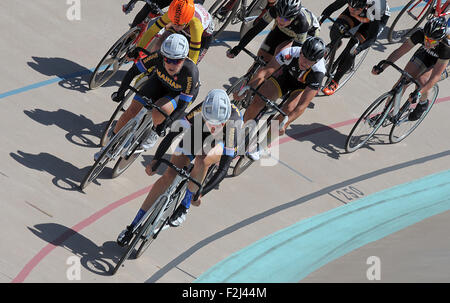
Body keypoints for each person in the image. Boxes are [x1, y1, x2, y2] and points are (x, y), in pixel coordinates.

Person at [116, 89, 244, 246]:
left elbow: (223, 169)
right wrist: (156, 160)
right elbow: (171, 135)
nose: (213, 127)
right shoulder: (201, 111)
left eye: (217, 124)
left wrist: (200, 193)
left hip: (222, 141)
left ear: (224, 121)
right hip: (199, 131)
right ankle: (133, 226)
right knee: (168, 175)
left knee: (202, 159)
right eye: (210, 122)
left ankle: (185, 205)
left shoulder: (233, 125)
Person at [94, 34, 200, 160]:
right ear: (163, 56)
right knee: (131, 111)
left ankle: (153, 132)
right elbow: (134, 71)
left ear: (184, 59)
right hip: (159, 83)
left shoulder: (190, 73)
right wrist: (121, 92)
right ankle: (109, 146)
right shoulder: (158, 56)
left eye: (176, 61)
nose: (171, 64)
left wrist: (164, 125)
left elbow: (182, 106)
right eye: (168, 60)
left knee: (161, 111)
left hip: (177, 94)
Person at [239, 36, 327, 160]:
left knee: (287, 112)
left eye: (310, 61)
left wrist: (286, 122)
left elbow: (302, 105)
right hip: (285, 77)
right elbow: (265, 72)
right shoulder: (290, 53)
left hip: (300, 88)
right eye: (303, 57)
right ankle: (243, 128)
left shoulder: (318, 73)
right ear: (300, 51)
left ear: (317, 61)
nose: (305, 62)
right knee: (258, 100)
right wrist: (248, 87)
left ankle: (263, 145)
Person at [372, 17, 449, 121]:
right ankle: (384, 114)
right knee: (404, 80)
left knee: (422, 81)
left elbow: (435, 76)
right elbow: (400, 51)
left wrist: (419, 93)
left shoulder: (446, 48)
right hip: (426, 54)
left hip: (443, 63)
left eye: (431, 41)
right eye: (426, 38)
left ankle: (423, 103)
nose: (427, 42)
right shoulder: (420, 33)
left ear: (440, 39)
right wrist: (383, 66)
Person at [320, 0, 390, 95]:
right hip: (361, 13)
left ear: (364, 6)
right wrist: (319, 21)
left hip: (374, 20)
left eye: (355, 9)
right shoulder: (353, 6)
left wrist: (359, 49)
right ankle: (334, 44)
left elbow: (372, 38)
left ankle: (335, 81)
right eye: (349, 6)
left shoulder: (375, 9)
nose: (352, 10)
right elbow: (333, 6)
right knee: (337, 28)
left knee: (353, 48)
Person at [226, 0, 320, 64]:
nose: (282, 21)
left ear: (294, 17)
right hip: (283, 31)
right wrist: (238, 48)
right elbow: (256, 29)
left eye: (286, 19)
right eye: (280, 16)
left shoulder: (302, 24)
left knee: (281, 57)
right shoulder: (274, 10)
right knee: (261, 57)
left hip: (306, 34)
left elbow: (296, 52)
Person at [134, 0, 214, 66]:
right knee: (157, 46)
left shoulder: (196, 26)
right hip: (185, 23)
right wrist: (137, 49)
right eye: (173, 22)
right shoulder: (171, 14)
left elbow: (192, 59)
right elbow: (151, 31)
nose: (176, 26)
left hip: (203, 35)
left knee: (183, 65)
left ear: (187, 21)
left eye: (178, 25)